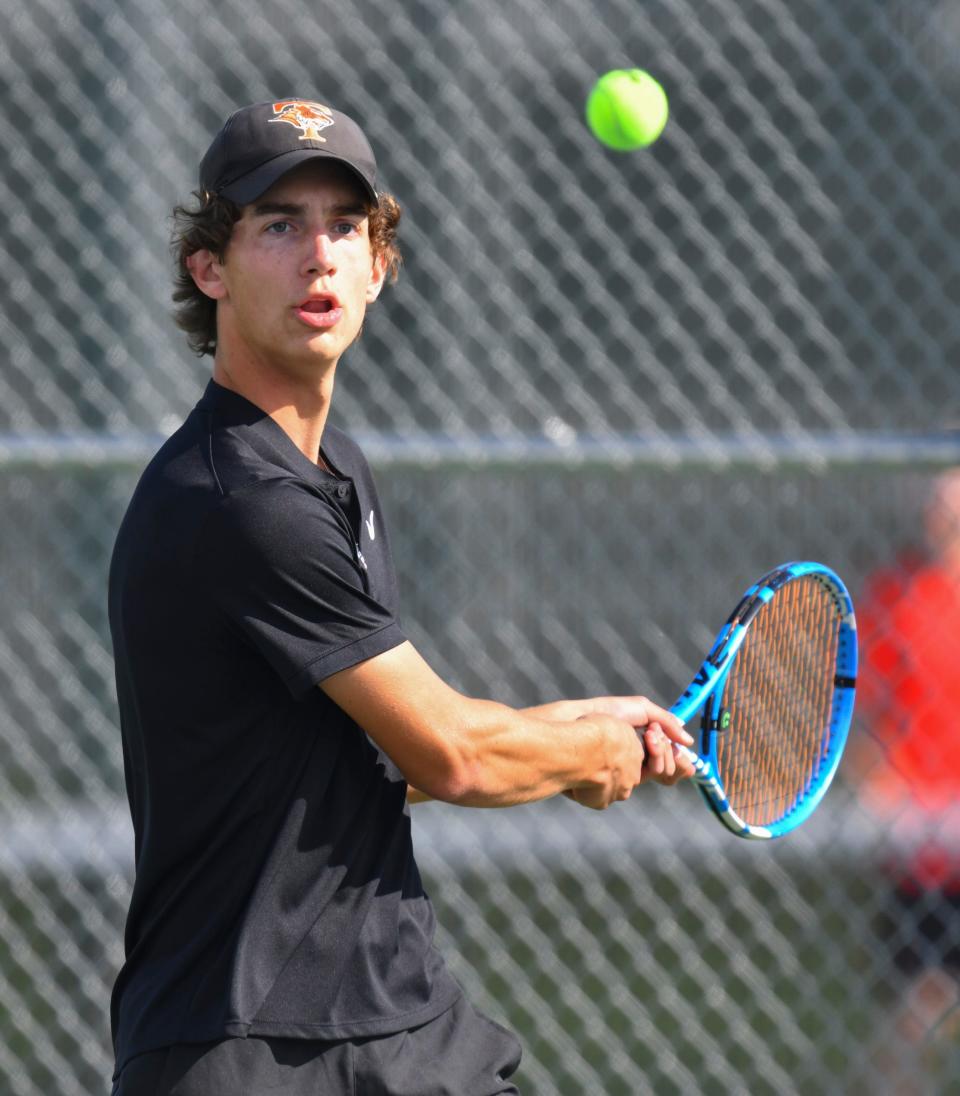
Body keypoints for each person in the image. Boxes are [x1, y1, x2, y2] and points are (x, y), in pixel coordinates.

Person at [107, 97, 695, 1096]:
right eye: (278, 225)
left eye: (346, 227)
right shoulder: (240, 497)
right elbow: (452, 756)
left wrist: (575, 722)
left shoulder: (331, 468)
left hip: (395, 1018)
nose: (319, 255)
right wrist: (584, 754)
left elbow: (366, 758)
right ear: (210, 268)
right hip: (247, 1044)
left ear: (378, 267)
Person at [855, 469, 960, 1075]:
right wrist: (881, 791)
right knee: (920, 1012)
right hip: (929, 855)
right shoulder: (899, 596)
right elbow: (863, 716)